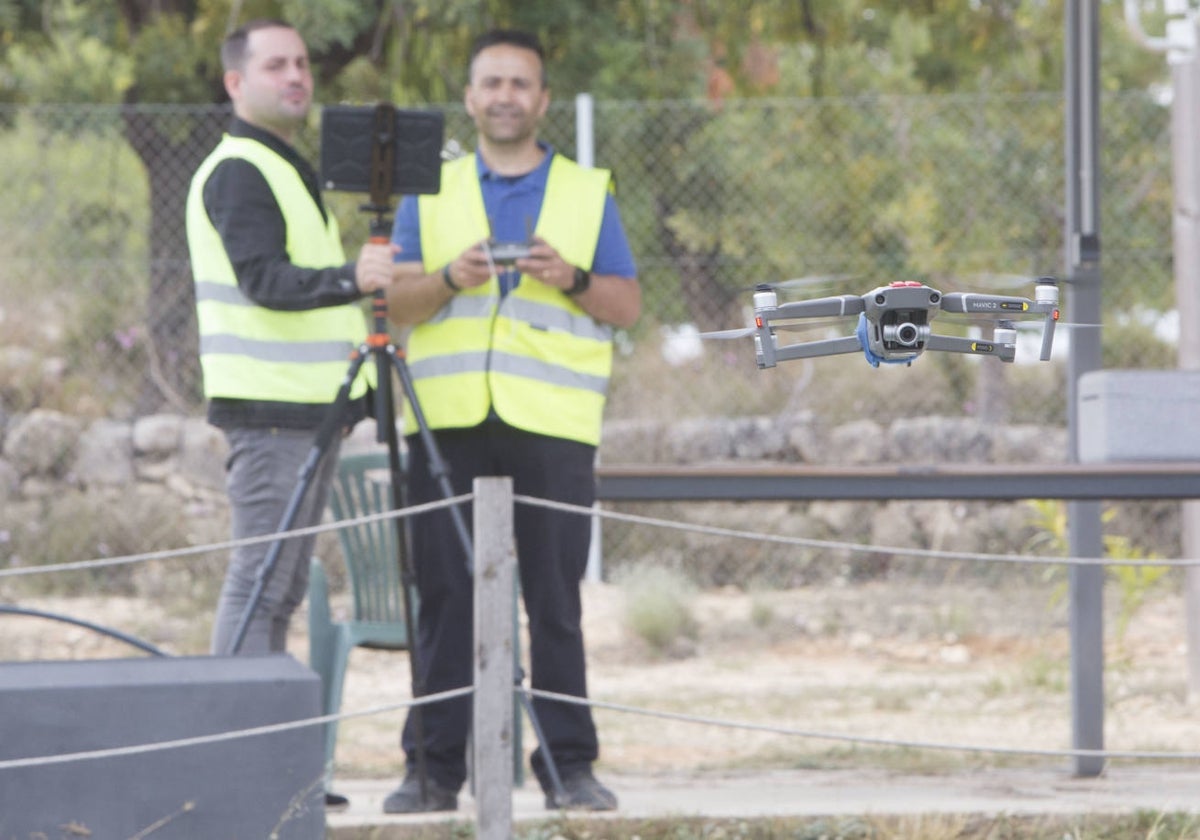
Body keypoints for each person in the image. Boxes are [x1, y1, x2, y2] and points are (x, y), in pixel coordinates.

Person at [383, 28, 641, 814]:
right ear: (469, 97)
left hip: (554, 426)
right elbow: (391, 305)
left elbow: (626, 307)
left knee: (554, 603)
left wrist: (572, 277)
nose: (504, 96)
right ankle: (431, 775)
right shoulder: (427, 192)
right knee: (444, 601)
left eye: (519, 84)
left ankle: (568, 768)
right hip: (447, 423)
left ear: (542, 100)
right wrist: (447, 280)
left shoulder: (587, 192)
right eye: (490, 83)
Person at [184, 18, 396, 812]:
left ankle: (266, 771)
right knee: (260, 584)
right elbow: (267, 282)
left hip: (307, 411)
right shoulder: (240, 169)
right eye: (277, 65)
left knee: (278, 591)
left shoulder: (278, 164)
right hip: (271, 415)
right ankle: (232, 767)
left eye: (303, 63)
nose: (297, 76)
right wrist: (352, 278)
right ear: (236, 82)